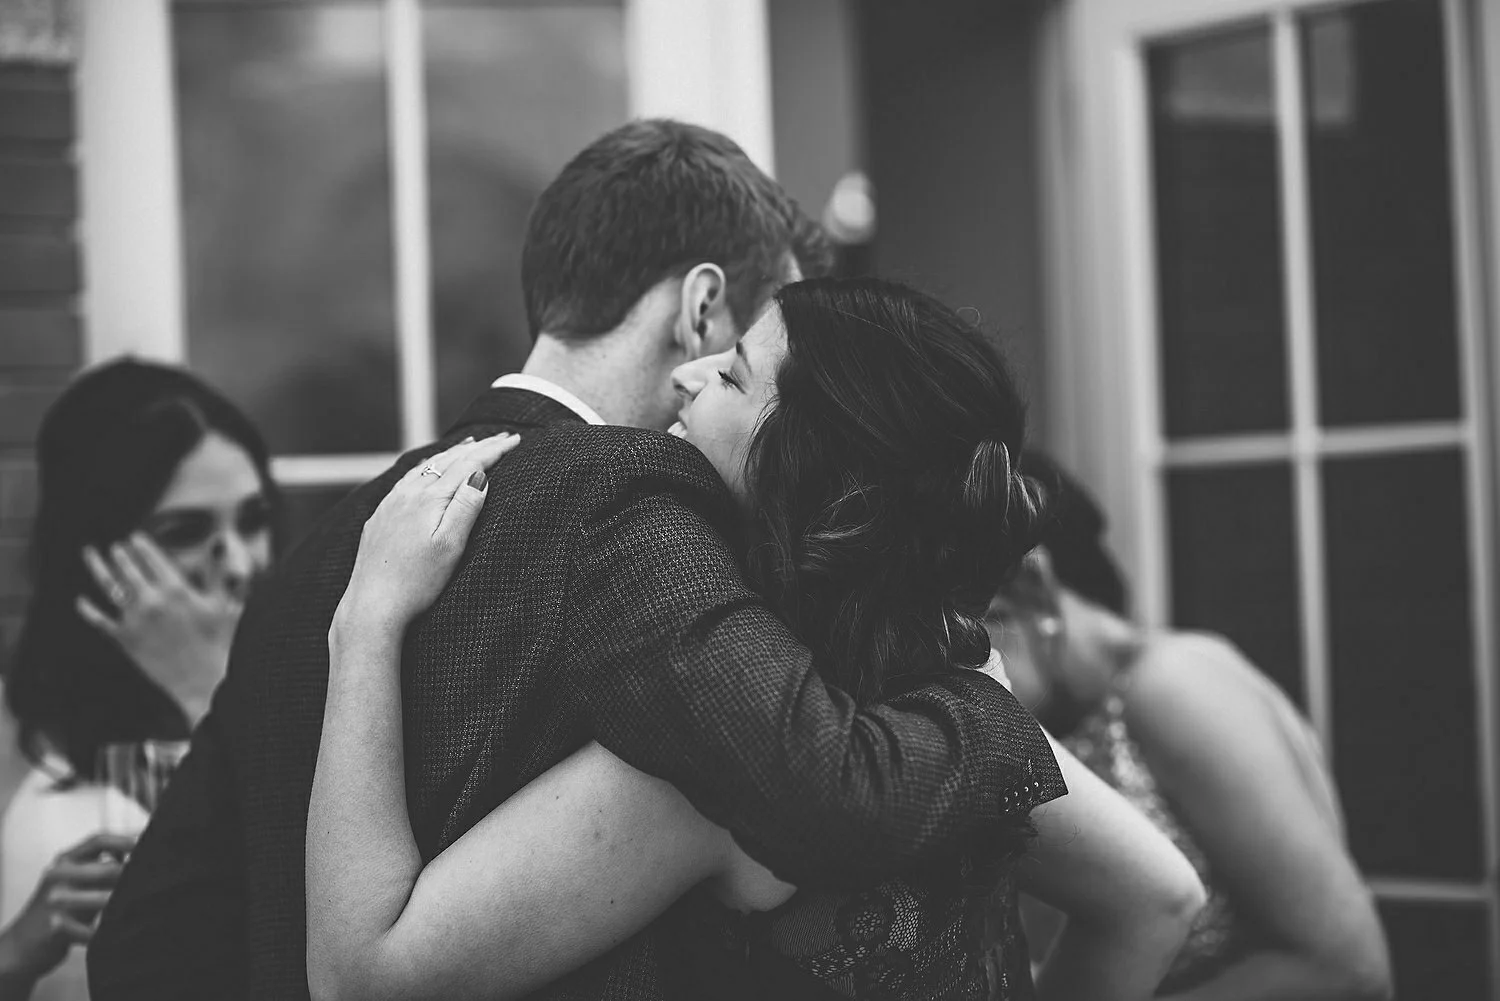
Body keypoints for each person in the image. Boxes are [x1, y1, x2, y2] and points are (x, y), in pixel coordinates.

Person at [90, 120, 1102, 1001]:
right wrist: (989, 702)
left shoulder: (330, 549)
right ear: (702, 307)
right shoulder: (637, 503)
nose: (731, 368)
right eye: (754, 334)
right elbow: (821, 779)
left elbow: (145, 944)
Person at [305, 278, 1208, 1000]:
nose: (688, 376)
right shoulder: (956, 698)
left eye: (732, 375)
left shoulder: (709, 776)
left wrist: (368, 624)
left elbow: (365, 976)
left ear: (795, 473)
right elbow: (1158, 899)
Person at [986, 452, 1392, 1000]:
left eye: (969, 633)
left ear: (1033, 590)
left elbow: (1347, 969)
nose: (960, 675)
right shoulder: (1063, 723)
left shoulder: (1173, 687)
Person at [1, 359, 280, 1001]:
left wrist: (208, 686)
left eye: (253, 520)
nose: (238, 564)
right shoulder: (20, 729)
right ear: (94, 549)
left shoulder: (308, 689)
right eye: (186, 532)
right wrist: (12, 957)